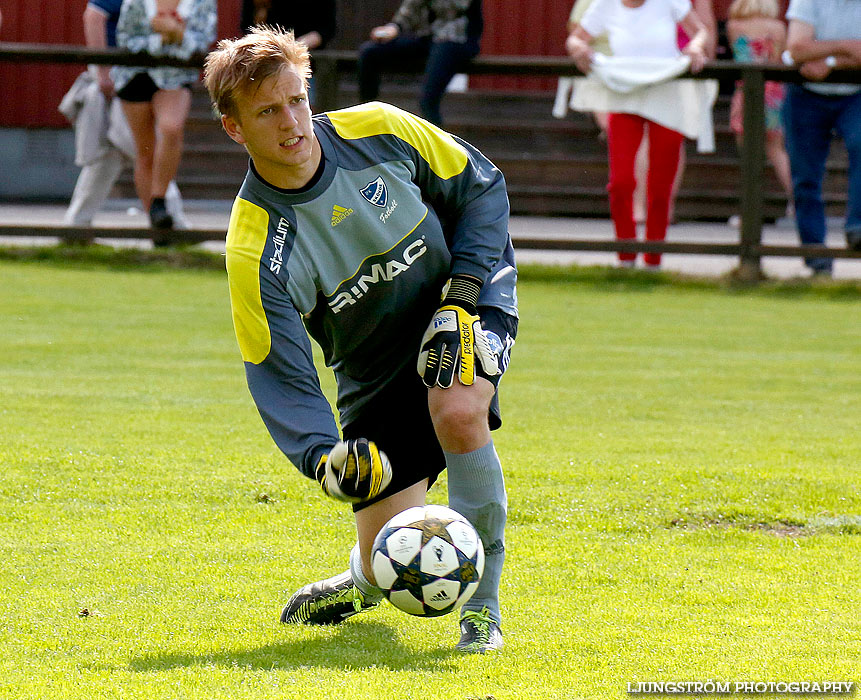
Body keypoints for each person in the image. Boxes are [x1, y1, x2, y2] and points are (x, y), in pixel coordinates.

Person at [203, 27, 518, 653]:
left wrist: (460, 298)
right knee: (390, 555)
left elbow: (481, 187)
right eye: (268, 111)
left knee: (457, 410)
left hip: (462, 298)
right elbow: (278, 370)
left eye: (297, 100)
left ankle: (482, 612)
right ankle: (359, 580)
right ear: (234, 128)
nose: (293, 122)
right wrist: (324, 458)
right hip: (371, 369)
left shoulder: (378, 128)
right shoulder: (254, 245)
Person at [566, 0, 710, 268]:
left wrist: (695, 46)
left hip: (666, 93)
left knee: (660, 183)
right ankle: (626, 257)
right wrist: (579, 49)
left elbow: (700, 31)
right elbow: (575, 38)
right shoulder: (604, 5)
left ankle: (653, 259)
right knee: (620, 181)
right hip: (624, 95)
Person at [62, 0, 189, 241]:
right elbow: (93, 16)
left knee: (111, 152)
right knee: (142, 149)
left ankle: (76, 225)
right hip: (120, 75)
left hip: (132, 76)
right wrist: (102, 72)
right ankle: (173, 223)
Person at [112, 0, 216, 241]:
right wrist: (166, 38)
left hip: (176, 76)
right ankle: (157, 225)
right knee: (145, 151)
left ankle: (159, 199)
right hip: (134, 76)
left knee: (170, 128)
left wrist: (175, 32)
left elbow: (202, 43)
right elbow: (126, 39)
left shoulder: (202, 2)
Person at [782, 0, 861, 275]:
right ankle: (816, 259)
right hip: (805, 94)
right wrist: (847, 48)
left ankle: (857, 228)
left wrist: (827, 59)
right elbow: (797, 47)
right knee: (805, 178)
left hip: (856, 93)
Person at [357, 0, 483, 127]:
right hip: (428, 37)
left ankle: (437, 143)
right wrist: (395, 27)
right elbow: (410, 8)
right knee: (369, 53)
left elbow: (456, 6)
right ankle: (368, 122)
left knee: (428, 100)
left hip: (457, 39)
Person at [726, 0, 793, 224]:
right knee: (777, 150)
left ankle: (749, 212)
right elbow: (782, 56)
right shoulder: (779, 27)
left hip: (746, 91)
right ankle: (797, 202)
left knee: (748, 154)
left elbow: (738, 54)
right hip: (774, 91)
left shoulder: (734, 25)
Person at [240, 0, 336, 51]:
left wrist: (296, 46)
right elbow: (248, 25)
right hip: (266, 60)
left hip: (307, 61)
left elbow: (327, 29)